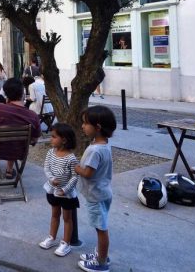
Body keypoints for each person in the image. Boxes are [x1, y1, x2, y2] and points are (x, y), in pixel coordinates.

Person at [75, 106, 116, 272]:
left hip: (96, 195)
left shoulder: (95, 150)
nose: (82, 126)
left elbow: (88, 173)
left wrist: (76, 167)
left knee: (101, 229)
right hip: (103, 192)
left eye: (85, 123)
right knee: (101, 226)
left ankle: (101, 263)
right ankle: (101, 255)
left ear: (97, 127)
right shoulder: (103, 144)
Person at [0, 78, 41, 178]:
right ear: (23, 93)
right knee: (14, 141)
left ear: (6, 94)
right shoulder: (33, 116)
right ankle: (9, 170)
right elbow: (34, 140)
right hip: (19, 152)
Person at [39, 122, 79, 257]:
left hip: (66, 194)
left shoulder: (71, 158)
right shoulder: (51, 152)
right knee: (55, 214)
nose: (51, 139)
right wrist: (51, 179)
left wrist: (65, 190)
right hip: (52, 190)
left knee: (67, 218)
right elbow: (46, 168)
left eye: (54, 136)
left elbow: (75, 176)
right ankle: (52, 237)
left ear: (64, 140)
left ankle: (66, 243)